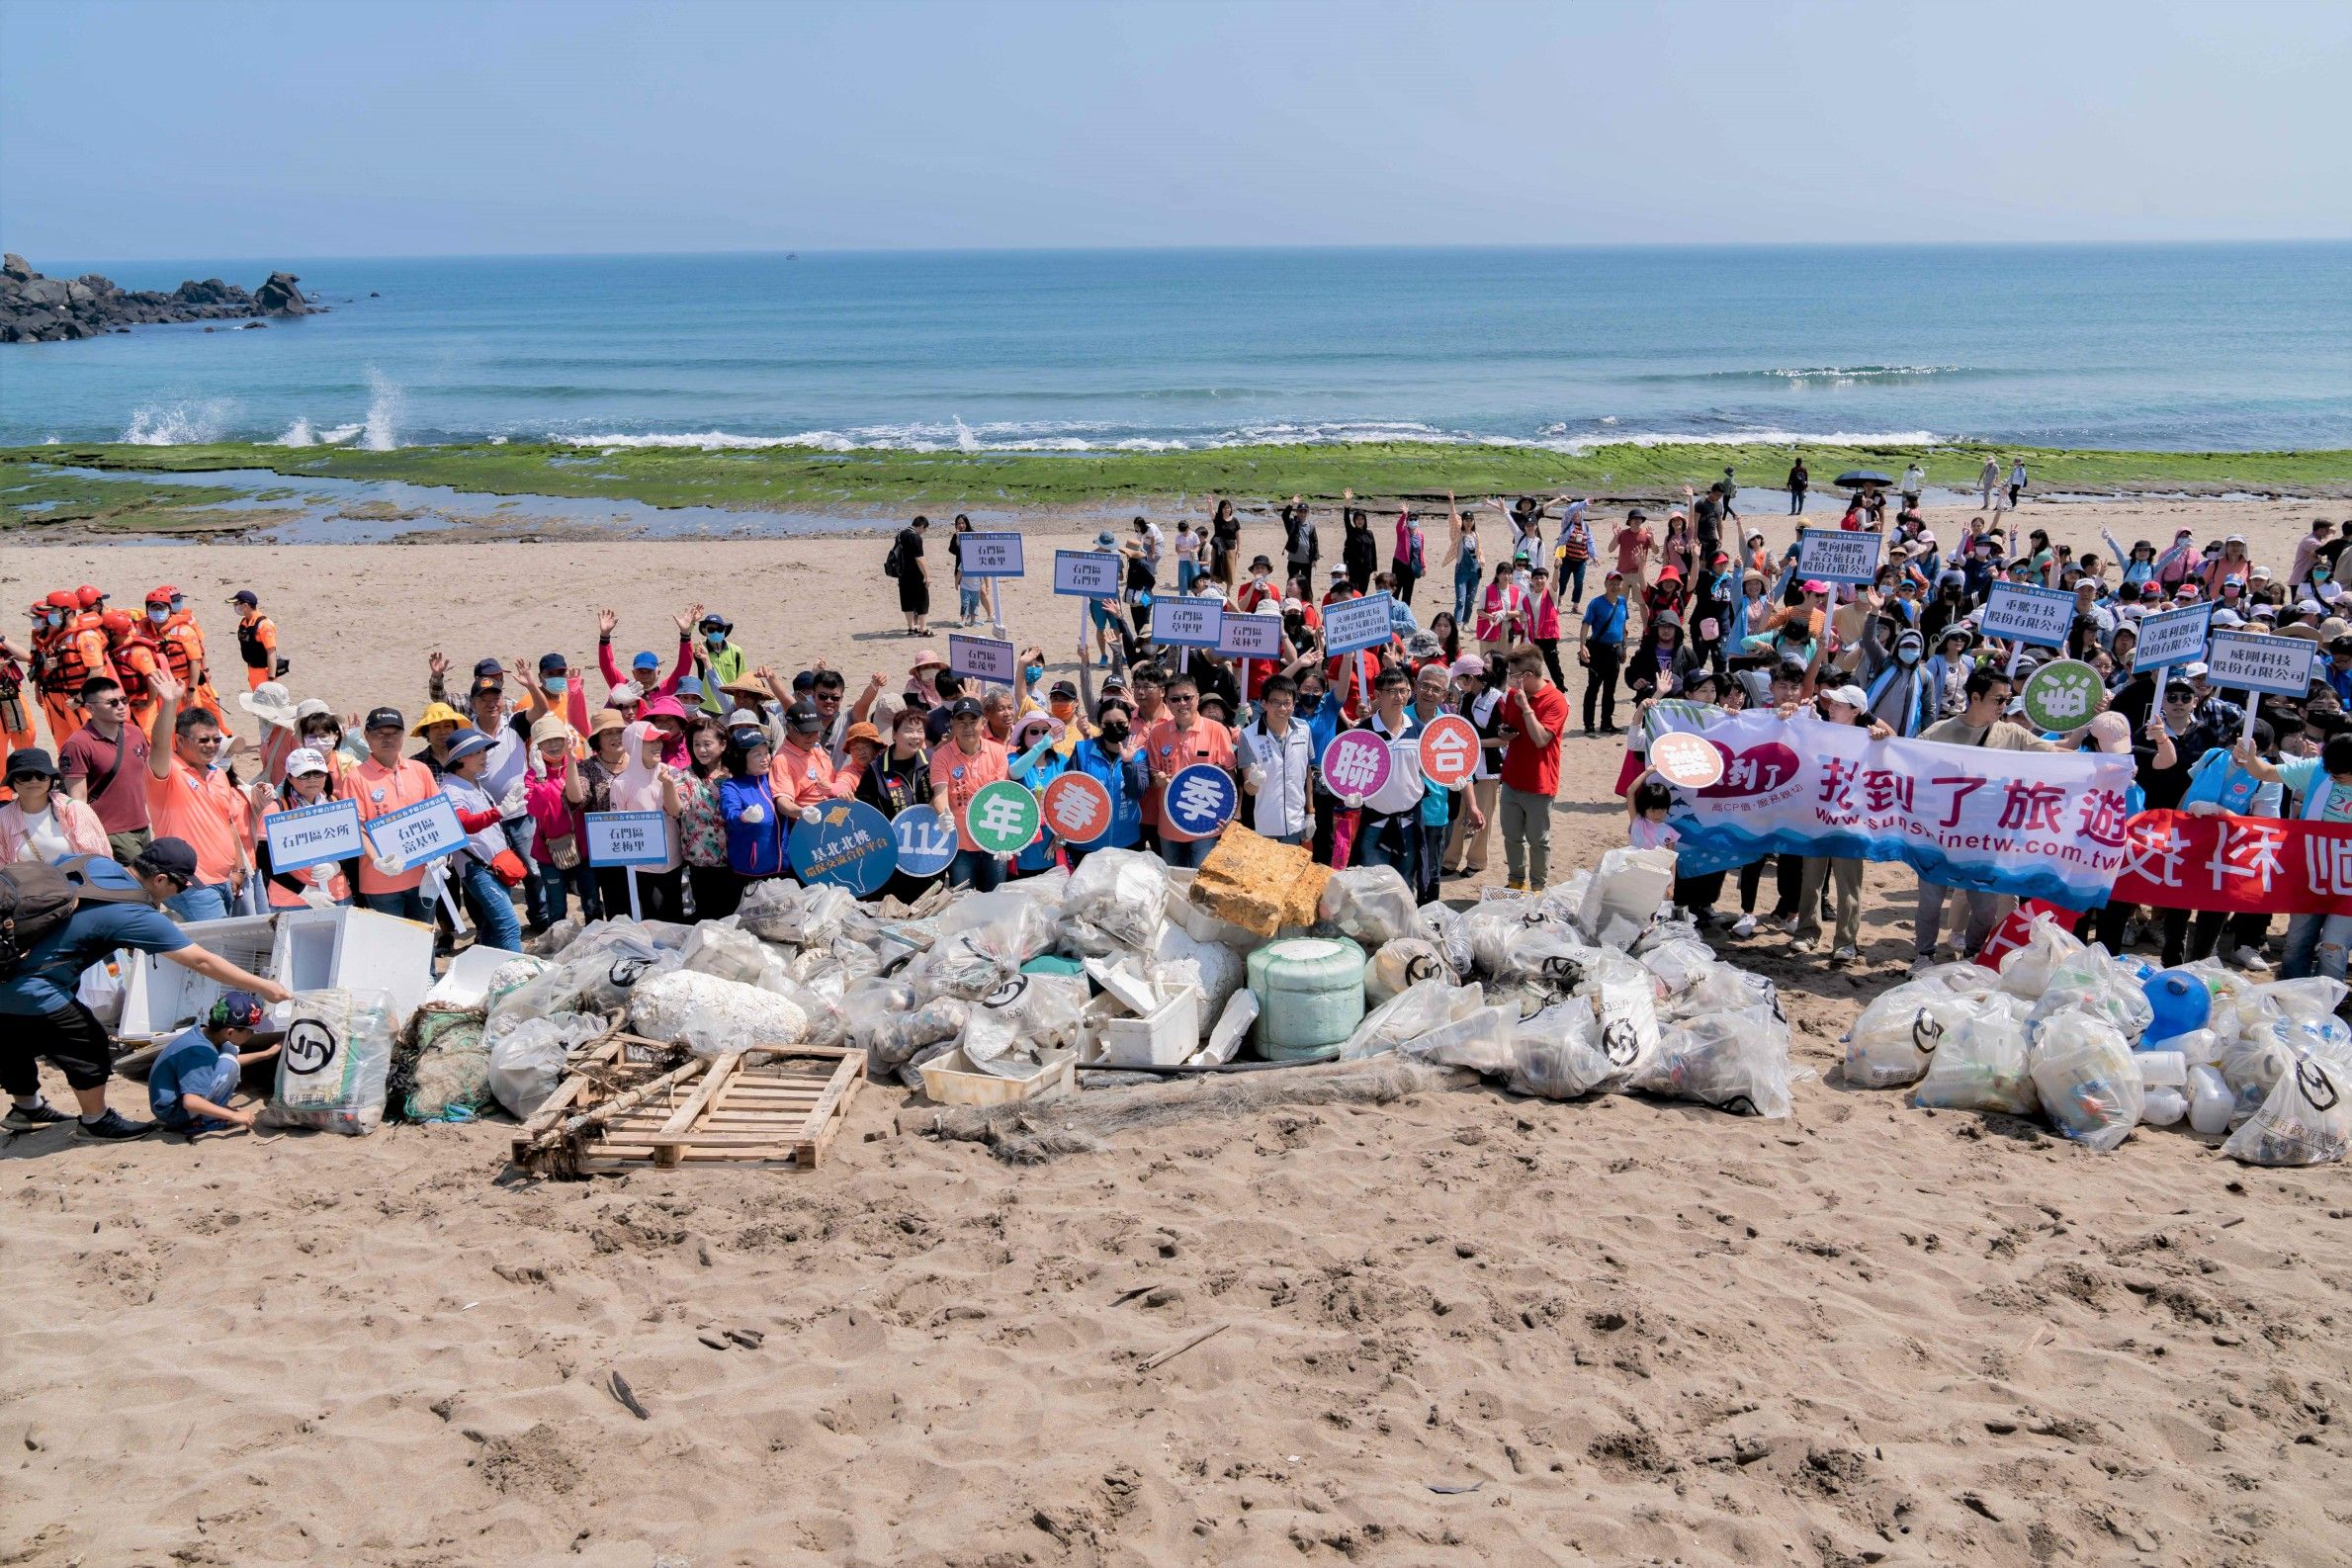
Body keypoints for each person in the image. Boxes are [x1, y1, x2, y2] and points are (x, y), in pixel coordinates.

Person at [2, 848, 290, 1140]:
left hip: (7, 967)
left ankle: (28, 1108)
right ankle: (95, 1121)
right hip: (30, 985)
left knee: (16, 1036)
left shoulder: (92, 863)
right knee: (88, 1045)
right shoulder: (133, 913)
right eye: (180, 886)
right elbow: (201, 961)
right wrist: (263, 985)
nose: (177, 894)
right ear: (161, 879)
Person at [141, 672, 249, 921]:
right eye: (203, 739)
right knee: (218, 950)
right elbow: (158, 744)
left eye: (215, 739)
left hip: (225, 880)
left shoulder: (218, 775)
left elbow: (229, 824)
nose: (211, 745)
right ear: (179, 740)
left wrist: (238, 869)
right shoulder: (168, 772)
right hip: (191, 885)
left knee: (220, 947)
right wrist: (169, 702)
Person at [349, 704, 441, 921]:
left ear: (403, 735)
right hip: (380, 882)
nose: (387, 738)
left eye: (394, 732)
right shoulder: (355, 777)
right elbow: (356, 828)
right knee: (392, 948)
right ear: (367, 736)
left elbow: (439, 815)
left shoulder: (420, 770)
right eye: (379, 733)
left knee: (423, 942)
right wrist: (377, 860)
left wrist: (442, 851)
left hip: (423, 877)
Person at [146, 990, 281, 1135]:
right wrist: (233, 1115)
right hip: (173, 1112)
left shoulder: (205, 1033)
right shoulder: (201, 1052)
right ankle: (205, 1120)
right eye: (250, 1031)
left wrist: (268, 1054)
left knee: (229, 1054)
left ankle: (209, 1112)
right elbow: (190, 1101)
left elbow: (223, 1061)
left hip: (171, 1101)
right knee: (230, 1063)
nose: (253, 1034)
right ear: (230, 1032)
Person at [1143, 672, 1236, 870]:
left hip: (1207, 825)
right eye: (1175, 699)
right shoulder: (1157, 734)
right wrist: (1156, 779)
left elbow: (1230, 774)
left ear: (1197, 698)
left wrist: (1231, 815)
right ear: (1167, 702)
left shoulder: (1217, 730)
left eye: (1187, 697)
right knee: (1173, 882)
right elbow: (1151, 773)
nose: (1182, 703)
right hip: (1169, 824)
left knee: (1200, 881)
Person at [60, 676, 152, 866]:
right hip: (109, 831)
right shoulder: (77, 744)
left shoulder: (135, 733)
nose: (121, 706)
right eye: (112, 703)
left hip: (142, 824)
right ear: (90, 708)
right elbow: (78, 801)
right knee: (140, 885)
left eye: (123, 700)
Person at [249, 746, 354, 909]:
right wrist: (304, 891)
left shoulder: (335, 803)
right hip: (292, 900)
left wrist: (337, 865)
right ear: (290, 777)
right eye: (304, 774)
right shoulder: (276, 809)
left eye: (318, 773)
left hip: (338, 895)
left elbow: (351, 846)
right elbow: (264, 859)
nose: (312, 779)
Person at [1498, 650, 1566, 892]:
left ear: (1526, 675)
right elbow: (1508, 730)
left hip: (1540, 784)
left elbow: (1540, 739)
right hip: (1511, 779)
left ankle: (1538, 887)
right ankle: (1516, 881)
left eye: (1512, 675)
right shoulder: (1513, 696)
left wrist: (1526, 707)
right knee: (1511, 836)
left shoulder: (1555, 700)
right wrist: (1504, 732)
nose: (1508, 679)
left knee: (1539, 840)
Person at [930, 696, 1013, 890]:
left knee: (996, 895)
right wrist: (944, 815)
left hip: (993, 839)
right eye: (961, 721)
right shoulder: (941, 756)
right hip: (961, 844)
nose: (967, 727)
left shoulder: (998, 751)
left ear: (983, 722)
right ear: (952, 724)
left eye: (973, 721)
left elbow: (1003, 794)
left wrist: (1008, 838)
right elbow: (940, 796)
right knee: (963, 899)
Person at [523, 715, 598, 925]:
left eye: (558, 739)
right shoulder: (532, 776)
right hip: (549, 853)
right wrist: (540, 777)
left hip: (584, 849)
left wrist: (572, 763)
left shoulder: (578, 767)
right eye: (547, 741)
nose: (554, 745)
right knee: (557, 906)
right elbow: (537, 810)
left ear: (567, 740)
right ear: (536, 747)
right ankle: (559, 945)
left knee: (592, 903)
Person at [1442, 656, 1505, 878]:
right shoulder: (1466, 698)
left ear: (1471, 677)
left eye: (1460, 678)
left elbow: (1503, 739)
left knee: (1481, 815)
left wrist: (1474, 742)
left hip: (1487, 768)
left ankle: (1477, 861)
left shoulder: (1496, 700)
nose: (1457, 683)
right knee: (1459, 814)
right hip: (1464, 766)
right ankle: (1450, 860)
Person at [1236, 673, 1314, 845]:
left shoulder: (1303, 729)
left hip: (1295, 823)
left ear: (1294, 704)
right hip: (1263, 826)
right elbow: (1249, 789)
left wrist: (1310, 813)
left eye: (1287, 703)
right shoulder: (1248, 736)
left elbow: (1307, 773)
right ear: (1264, 704)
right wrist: (1254, 781)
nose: (1282, 708)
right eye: (1275, 703)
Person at [3, 745, 109, 863]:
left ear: (51, 779)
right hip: (25, 881)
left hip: (78, 880)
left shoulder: (75, 810)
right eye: (24, 776)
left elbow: (99, 861)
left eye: (41, 775)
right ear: (11, 781)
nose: (34, 781)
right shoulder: (3, 818)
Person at [1578, 570, 1629, 737]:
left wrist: (1624, 647)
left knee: (1610, 690)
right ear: (1605, 584)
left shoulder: (1622, 602)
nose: (1615, 586)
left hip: (1615, 651)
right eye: (1611, 583)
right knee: (1593, 688)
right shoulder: (1596, 603)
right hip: (1598, 651)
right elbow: (1586, 624)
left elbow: (1622, 627)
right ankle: (1589, 725)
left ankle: (1606, 724)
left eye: (1618, 583)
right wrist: (1582, 645)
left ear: (1622, 585)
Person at [228, 589, 282, 691]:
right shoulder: (244, 622)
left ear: (245, 606)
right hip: (252, 671)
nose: (235, 607)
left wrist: (271, 679)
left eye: (236, 604)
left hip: (264, 672)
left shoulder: (264, 625)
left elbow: (271, 652)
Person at [889, 514, 933, 637]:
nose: (924, 532)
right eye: (925, 529)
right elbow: (919, 558)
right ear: (922, 526)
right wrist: (927, 575)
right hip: (915, 574)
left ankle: (911, 628)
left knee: (907, 600)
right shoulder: (915, 537)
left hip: (902, 573)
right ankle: (923, 629)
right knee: (923, 600)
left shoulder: (901, 534)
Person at [1391, 507, 1426, 607]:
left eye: (1415, 519)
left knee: (1408, 593)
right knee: (1395, 591)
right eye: (1411, 519)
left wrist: (1423, 566)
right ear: (1407, 521)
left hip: (1412, 567)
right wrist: (1404, 515)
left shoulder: (1420, 534)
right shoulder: (1402, 531)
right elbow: (1398, 526)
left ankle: (1404, 615)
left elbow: (1421, 551)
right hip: (1399, 565)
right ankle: (1392, 612)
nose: (1413, 521)